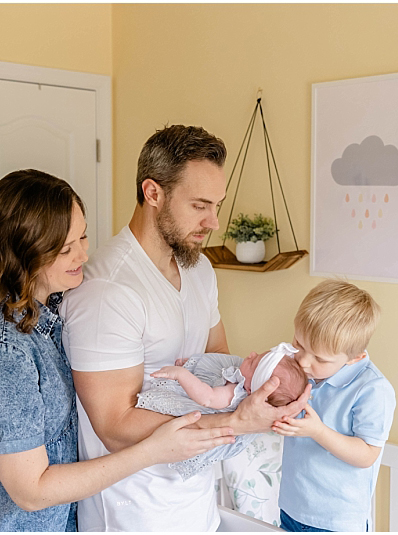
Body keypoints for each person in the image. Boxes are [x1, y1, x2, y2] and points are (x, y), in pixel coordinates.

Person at [0, 170, 234, 532]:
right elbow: (32, 491)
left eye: (83, 236)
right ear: (24, 253)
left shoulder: (43, 299)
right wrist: (153, 450)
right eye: (65, 249)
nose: (84, 255)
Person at [62, 125, 311, 531]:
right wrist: (237, 423)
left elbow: (218, 363)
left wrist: (267, 385)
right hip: (135, 515)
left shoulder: (200, 270)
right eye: (199, 205)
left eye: (217, 204)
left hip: (198, 504)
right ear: (153, 193)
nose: (213, 222)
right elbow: (115, 427)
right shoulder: (109, 290)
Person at [272, 279, 396, 532]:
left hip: (335, 521)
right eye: (299, 344)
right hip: (292, 507)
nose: (304, 362)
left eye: (319, 358)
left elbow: (367, 455)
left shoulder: (372, 390)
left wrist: (318, 431)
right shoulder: (303, 371)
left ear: (355, 358)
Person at [139, 343, 308, 479]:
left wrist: (182, 375)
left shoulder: (233, 395)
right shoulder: (242, 377)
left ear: (251, 388)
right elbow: (214, 365)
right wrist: (193, 365)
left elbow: (207, 397)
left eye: (253, 363)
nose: (251, 354)